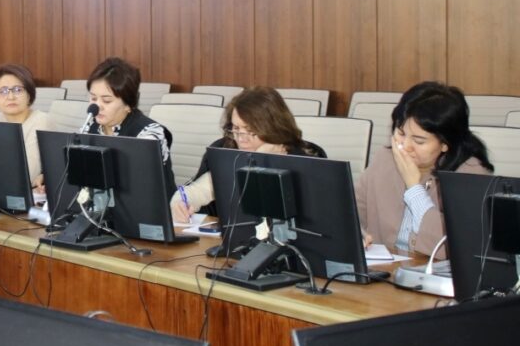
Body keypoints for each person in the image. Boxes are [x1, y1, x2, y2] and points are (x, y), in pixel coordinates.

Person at [356, 81, 493, 258]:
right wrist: (358, 233)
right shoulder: (385, 159)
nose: (405, 146)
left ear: (445, 144)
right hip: (385, 269)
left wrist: (414, 189)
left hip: (434, 272)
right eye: (401, 133)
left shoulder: (470, 175)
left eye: (419, 141)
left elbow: (456, 247)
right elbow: (352, 212)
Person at [170, 86, 327, 224]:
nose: (241, 139)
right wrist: (180, 203)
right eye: (236, 129)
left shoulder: (307, 158)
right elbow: (197, 192)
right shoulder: (222, 149)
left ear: (273, 127)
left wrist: (261, 161)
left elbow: (309, 218)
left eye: (251, 130)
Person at [83, 57, 175, 199]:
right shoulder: (90, 125)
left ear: (128, 104)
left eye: (106, 100)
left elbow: (142, 186)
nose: (97, 106)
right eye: (93, 98)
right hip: (103, 205)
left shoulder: (149, 134)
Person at [0, 63, 51, 191]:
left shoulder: (41, 121)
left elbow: (28, 174)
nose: (11, 97)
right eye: (3, 91)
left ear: (29, 94)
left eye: (18, 90)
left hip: (28, 194)